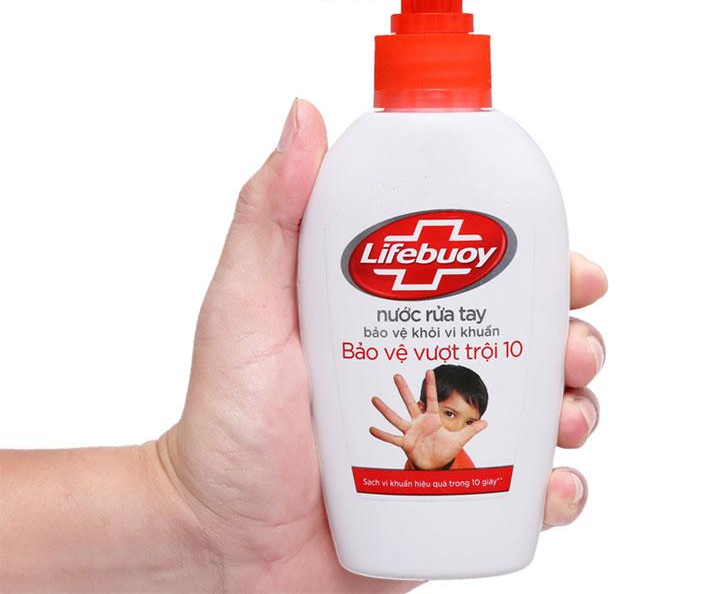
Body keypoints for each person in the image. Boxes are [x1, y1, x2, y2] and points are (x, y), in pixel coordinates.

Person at [0, 99, 607, 593]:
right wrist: (195, 515)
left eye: (459, 420)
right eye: (448, 413)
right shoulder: (385, 159)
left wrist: (438, 465)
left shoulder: (503, 161)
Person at [370, 365, 489, 470]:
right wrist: (426, 468)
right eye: (449, 414)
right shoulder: (419, 453)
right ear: (422, 410)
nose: (458, 428)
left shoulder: (466, 466)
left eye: (469, 422)